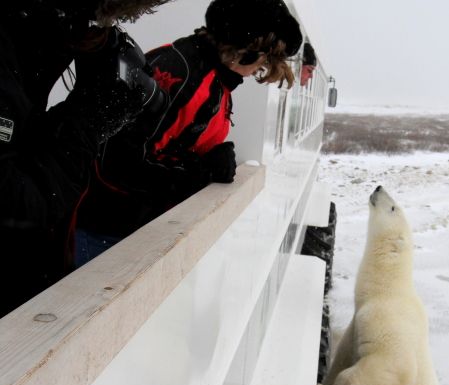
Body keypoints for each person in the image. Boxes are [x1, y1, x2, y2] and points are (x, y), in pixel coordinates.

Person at [74, 0, 303, 266]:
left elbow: (170, 141)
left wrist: (205, 158)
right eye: (261, 63)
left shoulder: (213, 73)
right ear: (244, 51)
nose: (255, 73)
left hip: (142, 225)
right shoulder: (182, 74)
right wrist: (200, 173)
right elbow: (115, 162)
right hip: (111, 227)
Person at [0, 0, 171, 317]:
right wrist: (89, 121)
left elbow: (22, 155)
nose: (91, 38)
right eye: (88, 24)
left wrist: (80, 111)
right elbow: (15, 208)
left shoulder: (24, 49)